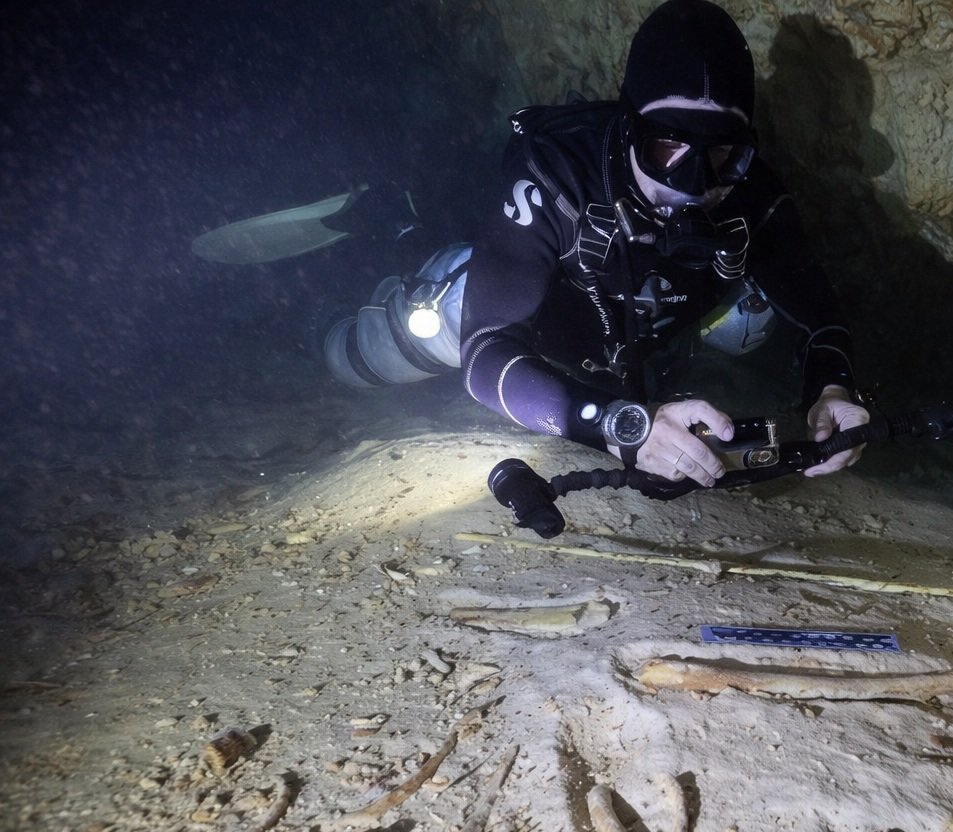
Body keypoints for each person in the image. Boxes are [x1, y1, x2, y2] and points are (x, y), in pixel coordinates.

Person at [321, 0, 869, 486]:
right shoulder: (556, 178)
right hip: (534, 315)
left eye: (724, 154)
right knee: (363, 356)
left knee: (749, 321)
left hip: (637, 337)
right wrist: (616, 424)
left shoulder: (754, 197)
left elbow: (822, 318)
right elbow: (486, 354)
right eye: (667, 148)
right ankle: (388, 243)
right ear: (630, 129)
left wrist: (834, 390)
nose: (695, 182)